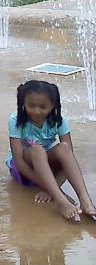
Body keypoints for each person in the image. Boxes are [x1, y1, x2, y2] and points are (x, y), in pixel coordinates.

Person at [6, 79, 96, 222]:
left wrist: (51, 187)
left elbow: (68, 160)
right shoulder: (16, 120)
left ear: (52, 105)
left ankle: (85, 201)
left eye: (43, 107)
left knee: (64, 148)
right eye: (31, 106)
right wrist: (56, 191)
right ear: (23, 103)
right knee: (37, 150)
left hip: (46, 167)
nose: (36, 111)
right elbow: (19, 162)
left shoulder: (59, 120)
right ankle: (60, 201)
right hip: (23, 169)